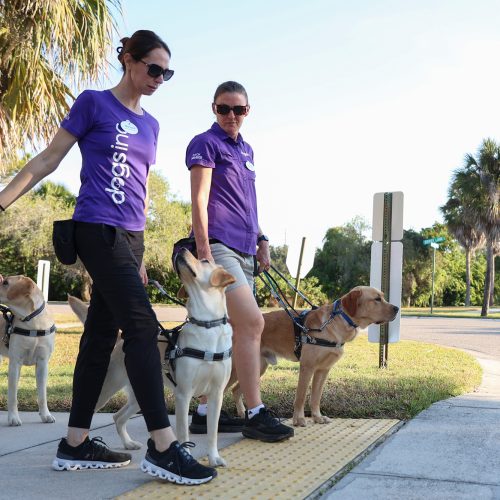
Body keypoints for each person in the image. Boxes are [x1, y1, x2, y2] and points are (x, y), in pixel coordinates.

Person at [0, 30, 216, 485]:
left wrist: (138, 253)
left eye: (167, 72)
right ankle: (162, 446)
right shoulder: (94, 104)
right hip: (96, 230)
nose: (159, 78)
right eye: (153, 68)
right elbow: (48, 159)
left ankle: (74, 441)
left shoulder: (152, 126)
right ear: (128, 60)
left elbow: (139, 192)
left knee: (100, 335)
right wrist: (3, 200)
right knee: (140, 326)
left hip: (128, 239)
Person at [185, 81, 294, 442]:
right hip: (219, 246)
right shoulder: (205, 144)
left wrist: (262, 239)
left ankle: (203, 411)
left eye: (239, 110)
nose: (231, 116)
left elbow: (247, 203)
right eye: (224, 109)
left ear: (248, 111)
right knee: (252, 324)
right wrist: (204, 255)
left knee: (229, 332)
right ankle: (255, 412)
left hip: (247, 248)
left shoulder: (246, 149)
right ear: (213, 109)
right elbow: (199, 201)